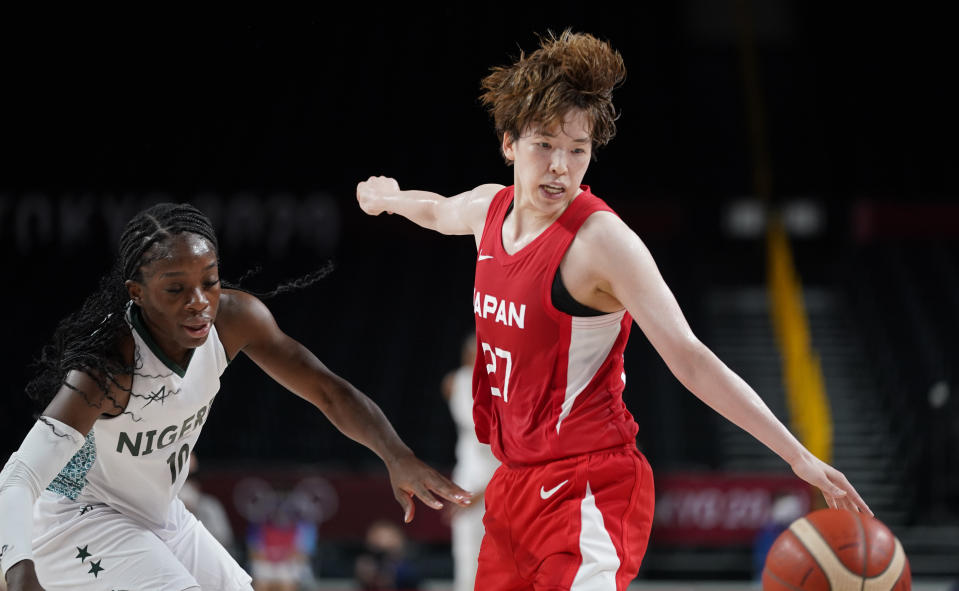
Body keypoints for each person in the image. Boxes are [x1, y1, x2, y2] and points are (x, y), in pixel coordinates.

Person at [356, 29, 871, 590]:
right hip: (514, 485)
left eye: (577, 150)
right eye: (544, 145)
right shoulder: (489, 209)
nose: (560, 166)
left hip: (589, 485)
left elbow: (690, 357)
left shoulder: (602, 242)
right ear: (509, 143)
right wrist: (387, 199)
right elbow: (436, 210)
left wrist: (797, 456)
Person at [0, 202, 471, 591]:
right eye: (176, 289)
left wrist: (396, 454)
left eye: (209, 279)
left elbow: (327, 390)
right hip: (79, 518)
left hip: (159, 512)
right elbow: (18, 476)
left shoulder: (234, 319)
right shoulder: (107, 369)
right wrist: (17, 571)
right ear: (137, 293)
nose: (199, 301)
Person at [441, 333, 499, 591]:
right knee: (467, 557)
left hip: (502, 476)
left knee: (504, 555)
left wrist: (487, 491)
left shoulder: (504, 382)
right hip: (471, 475)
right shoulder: (457, 381)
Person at [353, 519, 421, 591]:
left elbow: (413, 575)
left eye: (386, 537)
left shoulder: (409, 562)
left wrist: (392, 573)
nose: (381, 542)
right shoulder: (366, 561)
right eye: (377, 537)